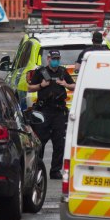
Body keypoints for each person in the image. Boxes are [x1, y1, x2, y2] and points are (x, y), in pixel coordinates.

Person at [27, 50, 75, 179]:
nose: (56, 60)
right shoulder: (41, 72)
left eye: (57, 58)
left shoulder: (63, 72)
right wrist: (41, 85)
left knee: (59, 142)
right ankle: (38, 168)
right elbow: (30, 88)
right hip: (45, 111)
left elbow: (74, 86)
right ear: (48, 59)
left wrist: (65, 84)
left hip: (59, 112)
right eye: (53, 58)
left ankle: (55, 171)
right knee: (40, 141)